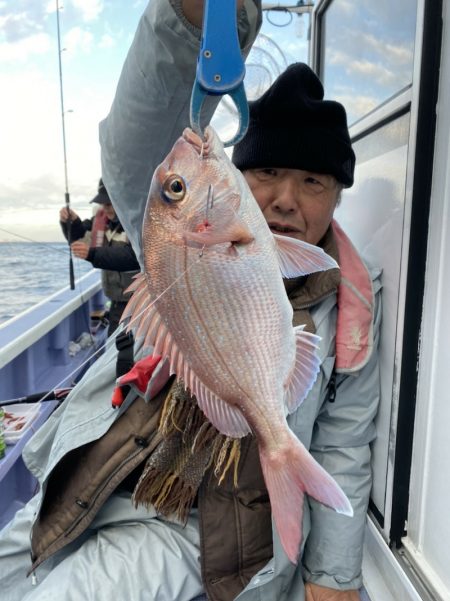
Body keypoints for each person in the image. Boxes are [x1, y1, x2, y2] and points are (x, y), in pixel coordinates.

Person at [0, 2, 380, 601]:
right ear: (237, 176)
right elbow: (132, 149)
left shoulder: (351, 306)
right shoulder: (177, 240)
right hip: (94, 471)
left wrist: (332, 576)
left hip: (198, 522)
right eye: (268, 173)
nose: (284, 199)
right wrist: (189, 24)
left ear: (337, 196)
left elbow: (344, 444)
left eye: (313, 182)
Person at [59, 178, 140, 335]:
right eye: (103, 203)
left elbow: (132, 256)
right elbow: (79, 237)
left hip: (139, 300)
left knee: (129, 351)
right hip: (117, 302)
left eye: (109, 203)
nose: (105, 208)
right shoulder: (101, 220)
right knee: (117, 345)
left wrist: (92, 254)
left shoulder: (136, 223)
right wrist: (71, 223)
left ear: (120, 200)